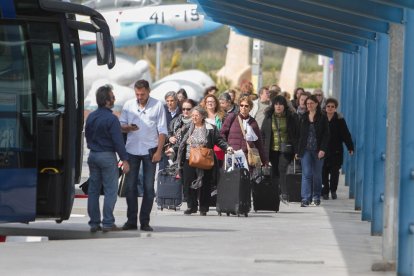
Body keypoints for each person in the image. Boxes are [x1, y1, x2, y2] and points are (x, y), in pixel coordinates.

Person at [120, 79, 168, 232]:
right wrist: (128, 128)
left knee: (148, 187)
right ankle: (131, 221)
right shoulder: (129, 105)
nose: (139, 97)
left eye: (142, 94)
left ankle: (145, 221)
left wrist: (159, 152)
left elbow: (162, 131)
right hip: (132, 150)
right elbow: (121, 127)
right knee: (130, 187)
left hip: (150, 151)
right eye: (137, 94)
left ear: (149, 91)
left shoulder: (158, 105)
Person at [85, 84, 130, 233]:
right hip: (107, 156)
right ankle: (108, 223)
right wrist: (125, 159)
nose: (114, 99)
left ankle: (94, 223)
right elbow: (118, 142)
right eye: (112, 97)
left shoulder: (91, 117)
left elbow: (87, 136)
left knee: (93, 191)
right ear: (106, 101)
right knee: (111, 190)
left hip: (93, 155)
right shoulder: (112, 119)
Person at [176, 106, 233, 216]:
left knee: (205, 184)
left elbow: (219, 140)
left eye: (197, 115)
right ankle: (191, 206)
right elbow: (180, 143)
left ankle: (203, 207)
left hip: (205, 158)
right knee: (188, 183)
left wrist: (227, 147)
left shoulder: (210, 128)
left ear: (203, 116)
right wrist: (172, 150)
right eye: (193, 115)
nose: (194, 117)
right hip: (189, 159)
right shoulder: (187, 128)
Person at [261, 95, 297, 203]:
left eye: (280, 104)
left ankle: (285, 194)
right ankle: (276, 193)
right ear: (273, 106)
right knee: (275, 171)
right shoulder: (268, 117)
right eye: (276, 104)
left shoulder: (291, 117)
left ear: (284, 106)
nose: (278, 106)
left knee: (282, 168)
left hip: (286, 149)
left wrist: (297, 150)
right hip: (272, 149)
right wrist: (262, 149)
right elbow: (262, 133)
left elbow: (296, 134)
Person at [296, 95, 330, 207]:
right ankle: (305, 198)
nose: (309, 105)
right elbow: (300, 135)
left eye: (311, 103)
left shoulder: (323, 117)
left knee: (317, 174)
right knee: (306, 173)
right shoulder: (303, 117)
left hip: (318, 150)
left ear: (316, 104)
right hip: (305, 150)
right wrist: (297, 151)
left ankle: (316, 196)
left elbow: (326, 135)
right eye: (307, 104)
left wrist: (323, 149)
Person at [220, 96, 266, 171]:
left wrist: (264, 161)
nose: (243, 107)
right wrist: (227, 147)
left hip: (246, 158)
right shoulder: (232, 117)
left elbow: (259, 144)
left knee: (244, 181)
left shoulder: (253, 122)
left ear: (250, 108)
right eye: (241, 105)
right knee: (230, 180)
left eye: (246, 106)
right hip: (232, 155)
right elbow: (222, 134)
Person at [322, 98, 354, 200]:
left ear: (335, 108)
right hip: (323, 150)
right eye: (328, 106)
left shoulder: (340, 120)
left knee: (335, 173)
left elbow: (346, 134)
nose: (330, 108)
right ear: (325, 107)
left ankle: (333, 190)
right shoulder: (321, 119)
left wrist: (350, 147)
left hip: (336, 151)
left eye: (332, 107)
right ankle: (325, 191)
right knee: (323, 172)